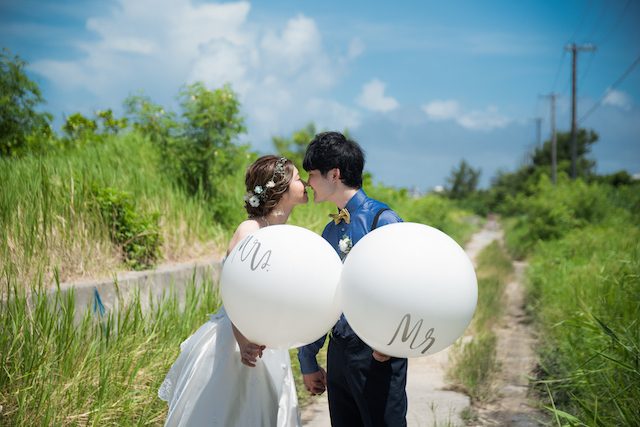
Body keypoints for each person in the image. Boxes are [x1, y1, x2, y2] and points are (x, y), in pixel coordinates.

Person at [159, 155, 307, 427]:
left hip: (268, 339)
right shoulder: (250, 229)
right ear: (281, 187)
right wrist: (242, 340)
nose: (305, 183)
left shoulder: (286, 233)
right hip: (237, 341)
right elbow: (234, 289)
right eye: (299, 179)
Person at [297, 132, 408, 427]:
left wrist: (386, 343)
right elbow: (323, 297)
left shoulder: (382, 220)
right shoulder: (329, 230)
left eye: (312, 174)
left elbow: (405, 287)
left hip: (376, 354)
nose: (308, 183)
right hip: (339, 353)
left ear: (334, 174)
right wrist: (308, 359)